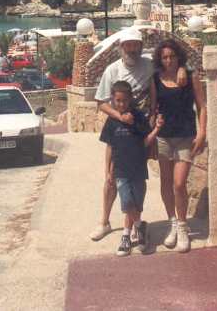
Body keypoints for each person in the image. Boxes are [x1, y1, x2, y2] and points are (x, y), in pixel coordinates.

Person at [89, 27, 155, 242]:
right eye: (128, 45)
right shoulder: (112, 70)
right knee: (111, 178)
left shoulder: (149, 66)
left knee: (136, 180)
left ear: (141, 46)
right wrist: (120, 116)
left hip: (140, 131)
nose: (132, 49)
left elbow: (157, 87)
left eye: (136, 45)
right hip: (118, 131)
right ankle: (105, 222)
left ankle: (135, 225)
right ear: (121, 47)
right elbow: (100, 103)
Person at [149, 39, 207, 253]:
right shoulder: (156, 78)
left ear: (178, 57)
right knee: (165, 182)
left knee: (179, 183)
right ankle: (172, 222)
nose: (168, 60)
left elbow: (202, 106)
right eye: (164, 57)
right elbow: (153, 107)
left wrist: (202, 131)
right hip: (163, 137)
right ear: (160, 59)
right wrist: (153, 127)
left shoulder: (190, 76)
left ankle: (182, 225)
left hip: (185, 136)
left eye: (172, 56)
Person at [100, 81, 163, 256]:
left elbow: (145, 142)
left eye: (125, 101)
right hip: (120, 170)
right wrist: (107, 171)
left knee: (135, 204)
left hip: (138, 169)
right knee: (126, 202)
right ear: (113, 100)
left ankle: (126, 236)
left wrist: (156, 129)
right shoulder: (112, 121)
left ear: (130, 99)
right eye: (118, 101)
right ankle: (140, 226)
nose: (121, 104)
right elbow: (110, 147)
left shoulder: (138, 118)